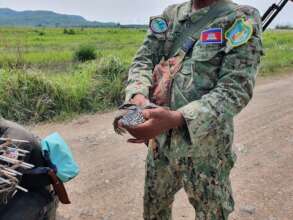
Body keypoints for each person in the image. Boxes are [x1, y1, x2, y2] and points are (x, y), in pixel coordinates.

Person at [120, 0, 263, 219]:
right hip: (160, 145)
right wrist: (138, 99)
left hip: (206, 149)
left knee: (211, 213)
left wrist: (177, 118)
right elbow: (144, 59)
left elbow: (235, 89)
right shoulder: (172, 14)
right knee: (154, 210)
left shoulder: (240, 19)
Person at [0, 118, 58, 220]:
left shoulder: (13, 141)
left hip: (37, 192)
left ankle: (45, 211)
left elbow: (4, 189)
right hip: (20, 186)